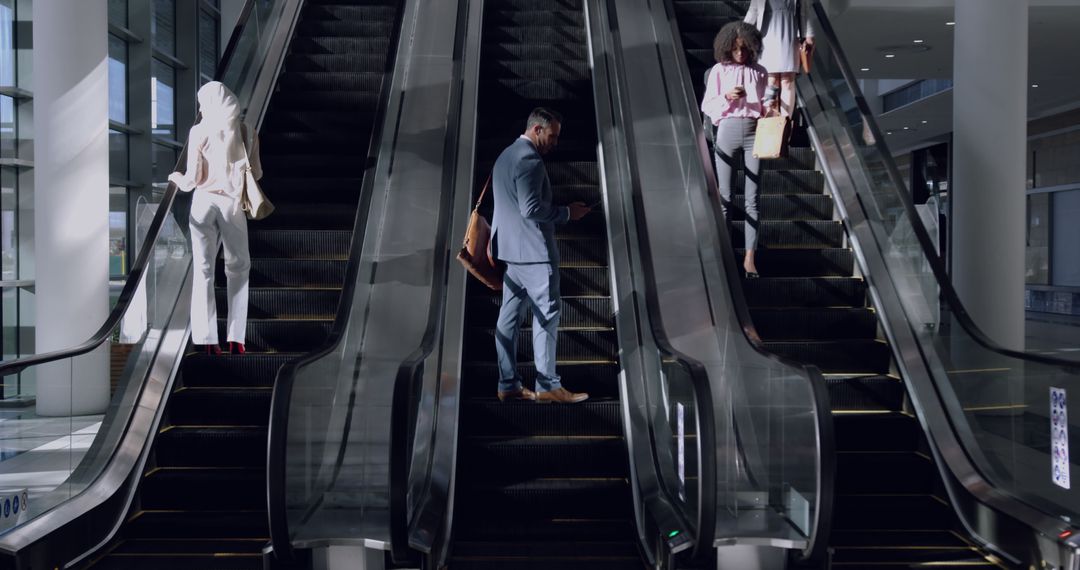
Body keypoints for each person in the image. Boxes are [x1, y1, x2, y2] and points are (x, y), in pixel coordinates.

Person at [490, 108, 592, 404]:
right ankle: (547, 384)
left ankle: (508, 382)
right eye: (552, 136)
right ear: (537, 129)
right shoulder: (529, 160)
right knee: (546, 316)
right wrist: (567, 213)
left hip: (511, 252)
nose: (555, 143)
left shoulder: (506, 155)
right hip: (534, 253)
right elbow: (531, 209)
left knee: (507, 319)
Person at [168, 81, 260, 355]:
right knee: (239, 268)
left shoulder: (199, 131)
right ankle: (236, 338)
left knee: (204, 271)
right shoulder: (247, 131)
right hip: (232, 206)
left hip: (203, 204)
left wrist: (176, 179)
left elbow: (193, 178)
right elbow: (255, 175)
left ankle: (207, 341)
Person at [702, 21, 769, 278]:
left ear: (752, 47)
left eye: (745, 48)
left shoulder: (760, 72)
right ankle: (725, 254)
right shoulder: (719, 71)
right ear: (727, 47)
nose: (740, 53)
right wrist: (727, 97)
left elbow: (766, 104)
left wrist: (770, 107)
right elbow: (708, 105)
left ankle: (750, 257)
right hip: (728, 129)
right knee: (725, 198)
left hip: (755, 131)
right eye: (736, 48)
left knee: (753, 199)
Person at [744, 0, 815, 117]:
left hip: (791, 34)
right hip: (767, 35)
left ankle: (785, 122)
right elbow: (753, 11)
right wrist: (740, 33)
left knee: (787, 81)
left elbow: (805, 11)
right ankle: (770, 120)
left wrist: (809, 35)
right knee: (771, 81)